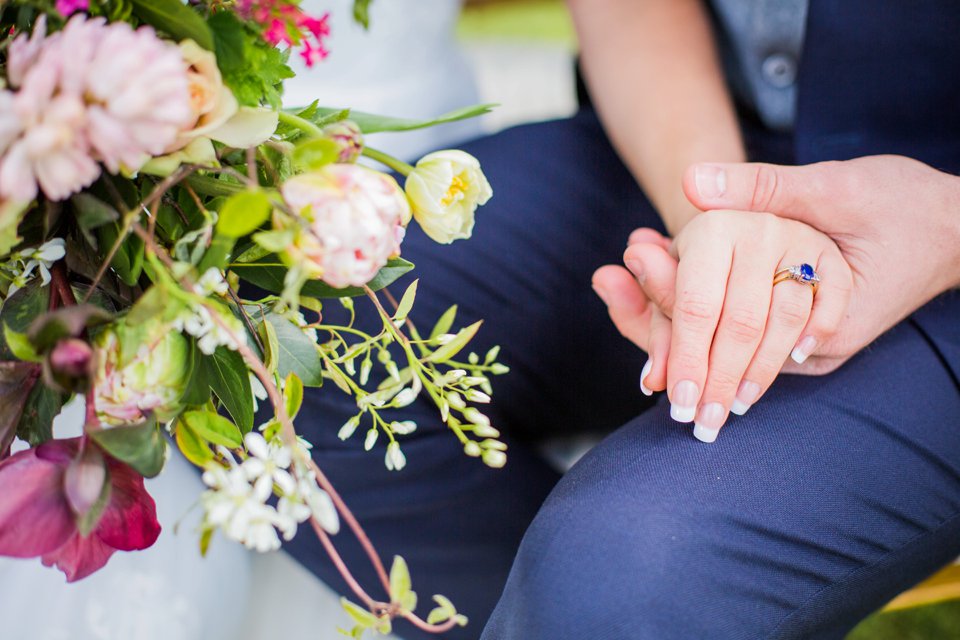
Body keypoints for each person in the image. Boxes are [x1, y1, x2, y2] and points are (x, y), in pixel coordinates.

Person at [286, 1, 960, 638]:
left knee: (618, 567)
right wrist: (711, 211)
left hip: (939, 214)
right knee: (284, 335)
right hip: (685, 131)